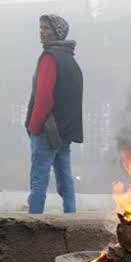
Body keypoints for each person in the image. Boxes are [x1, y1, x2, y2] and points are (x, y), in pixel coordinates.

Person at [25, 14, 83, 214]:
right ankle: (71, 215)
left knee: (39, 178)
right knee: (65, 176)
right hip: (64, 131)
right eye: (40, 27)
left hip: (46, 130)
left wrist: (33, 127)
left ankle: (33, 219)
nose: (41, 32)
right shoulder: (71, 61)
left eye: (46, 28)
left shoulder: (49, 58)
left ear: (57, 32)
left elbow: (43, 98)